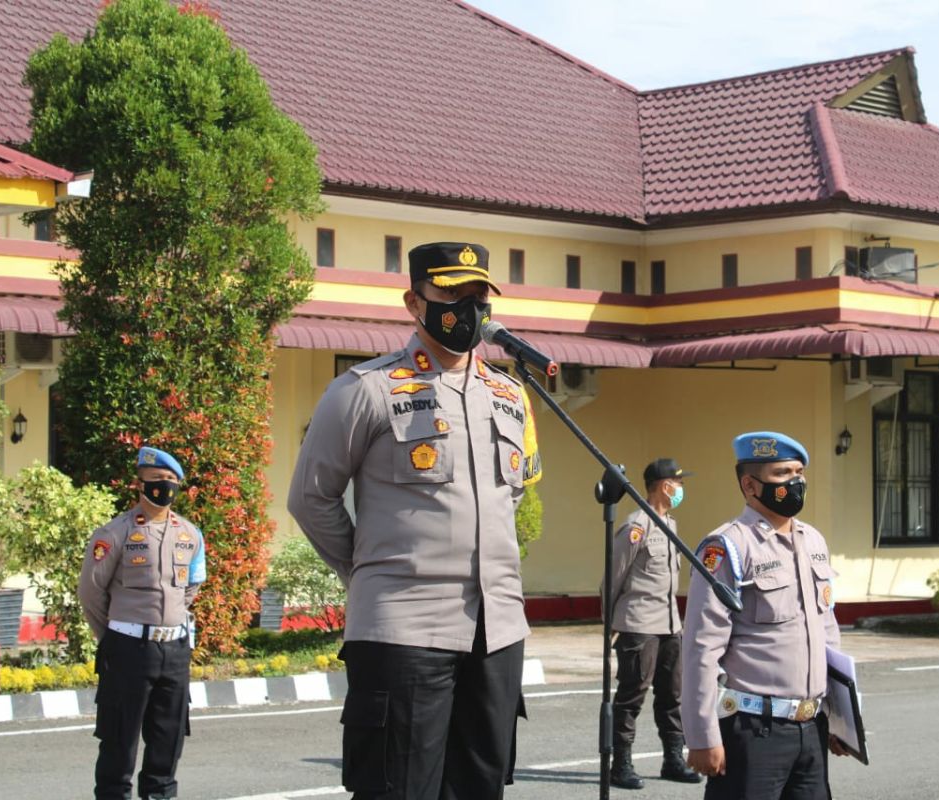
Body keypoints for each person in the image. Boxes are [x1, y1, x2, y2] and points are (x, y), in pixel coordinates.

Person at [288, 241, 542, 800]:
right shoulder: (366, 390)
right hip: (404, 628)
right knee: (398, 790)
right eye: (452, 294)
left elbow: (513, 496)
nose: (469, 309)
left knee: (479, 789)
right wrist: (368, 571)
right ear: (414, 302)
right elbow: (311, 498)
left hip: (497, 629)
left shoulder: (510, 395)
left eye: (479, 296)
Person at [681, 431, 842, 800]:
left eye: (799, 473)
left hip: (811, 728)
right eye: (783, 474)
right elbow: (701, 648)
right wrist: (703, 736)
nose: (796, 483)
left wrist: (841, 721)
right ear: (750, 485)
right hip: (754, 732)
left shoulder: (814, 541)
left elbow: (828, 633)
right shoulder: (728, 546)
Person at [79, 446, 206, 800]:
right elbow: (91, 592)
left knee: (168, 744)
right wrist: (115, 636)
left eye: (170, 481)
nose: (163, 488)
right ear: (140, 484)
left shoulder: (191, 535)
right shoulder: (114, 533)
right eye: (156, 481)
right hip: (128, 649)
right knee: (119, 745)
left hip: (175, 651)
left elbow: (191, 587)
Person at [604, 458, 702, 789]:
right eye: (679, 483)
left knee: (672, 696)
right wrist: (608, 623)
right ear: (664, 485)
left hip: (670, 623)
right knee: (632, 696)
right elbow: (613, 575)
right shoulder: (636, 526)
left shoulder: (669, 524)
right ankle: (621, 765)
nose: (681, 489)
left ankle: (673, 760)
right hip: (639, 623)